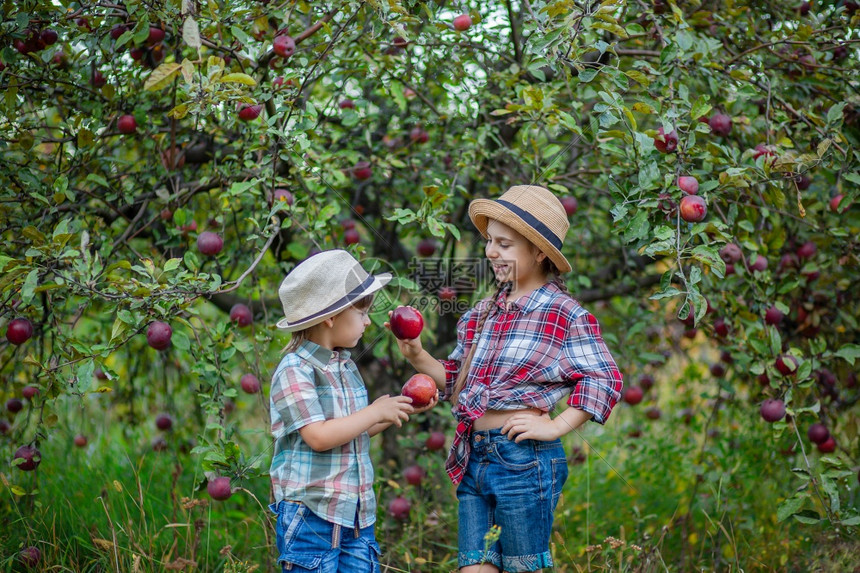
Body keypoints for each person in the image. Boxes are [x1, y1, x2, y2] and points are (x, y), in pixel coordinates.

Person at [388, 185, 623, 572]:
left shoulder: (562, 313)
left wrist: (556, 425)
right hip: (473, 454)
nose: (491, 252)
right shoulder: (483, 313)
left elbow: (604, 378)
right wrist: (417, 355)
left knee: (521, 566)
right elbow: (457, 380)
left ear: (539, 252)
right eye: (490, 241)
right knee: (473, 567)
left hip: (523, 461)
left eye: (505, 244)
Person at [268, 249, 437, 573]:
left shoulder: (344, 365)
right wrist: (375, 412)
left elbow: (350, 430)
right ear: (332, 317)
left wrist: (392, 412)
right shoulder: (296, 370)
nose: (368, 321)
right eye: (361, 314)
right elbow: (318, 436)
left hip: (356, 511)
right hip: (311, 516)